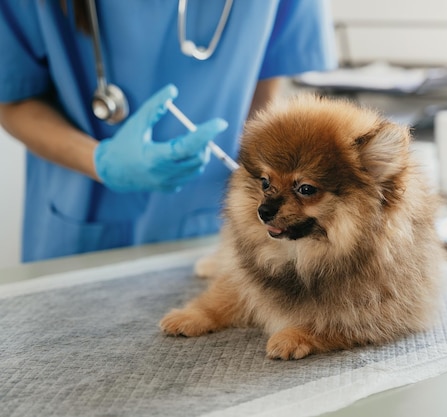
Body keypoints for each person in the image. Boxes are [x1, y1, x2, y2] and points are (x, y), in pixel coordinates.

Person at [0, 0, 337, 262]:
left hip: (217, 220)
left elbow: (268, 72)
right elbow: (12, 98)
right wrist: (101, 161)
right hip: (79, 225)